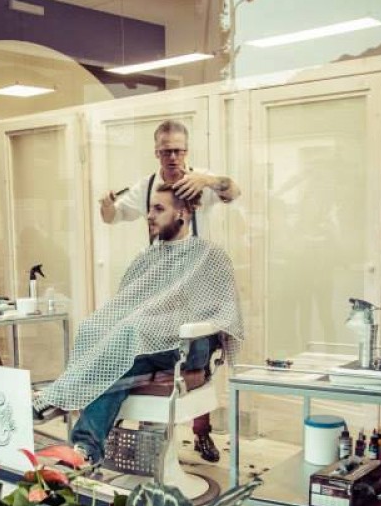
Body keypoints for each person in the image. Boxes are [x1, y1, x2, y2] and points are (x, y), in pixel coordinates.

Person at [37, 184, 243, 466]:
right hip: (145, 343)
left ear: (182, 213)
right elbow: (126, 306)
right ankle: (84, 449)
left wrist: (168, 325)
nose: (149, 215)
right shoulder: (146, 258)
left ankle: (59, 395)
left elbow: (226, 314)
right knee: (95, 332)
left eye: (158, 209)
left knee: (127, 336)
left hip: (190, 346)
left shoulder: (209, 256)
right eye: (149, 208)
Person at [97, 120, 241, 463]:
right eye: (166, 151)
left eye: (178, 150)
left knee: (192, 348)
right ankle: (149, 436)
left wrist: (207, 181)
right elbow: (113, 217)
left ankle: (201, 432)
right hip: (162, 280)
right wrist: (106, 205)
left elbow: (233, 191)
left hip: (197, 280)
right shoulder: (147, 186)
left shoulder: (200, 181)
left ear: (186, 150)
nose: (173, 157)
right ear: (157, 152)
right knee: (140, 340)